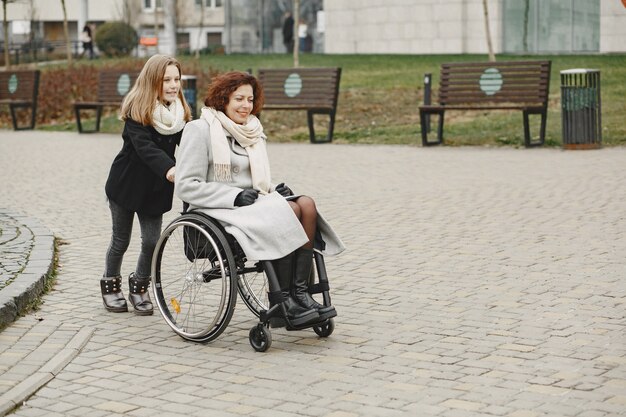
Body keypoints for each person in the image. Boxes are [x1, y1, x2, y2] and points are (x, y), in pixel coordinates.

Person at [176, 71, 345, 328]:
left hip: (253, 203)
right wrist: (234, 196)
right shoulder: (199, 129)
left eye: (250, 100)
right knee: (286, 211)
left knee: (306, 204)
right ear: (223, 99)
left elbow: (254, 180)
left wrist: (273, 188)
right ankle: (282, 300)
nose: (246, 106)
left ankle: (300, 294)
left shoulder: (253, 130)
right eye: (239, 99)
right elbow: (187, 186)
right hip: (218, 208)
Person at [101, 55, 192, 315]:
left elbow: (187, 145)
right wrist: (170, 168)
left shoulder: (178, 115)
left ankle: (140, 287)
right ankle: (110, 284)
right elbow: (145, 148)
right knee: (121, 240)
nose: (173, 85)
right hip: (126, 185)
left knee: (152, 241)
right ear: (153, 81)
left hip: (155, 188)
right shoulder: (137, 113)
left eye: (177, 79)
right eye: (167, 80)